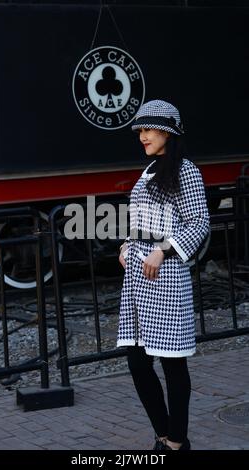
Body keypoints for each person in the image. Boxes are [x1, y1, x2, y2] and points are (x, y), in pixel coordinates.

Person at [117, 99, 210, 451]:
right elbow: (138, 225)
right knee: (138, 363)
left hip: (167, 277)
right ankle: (163, 433)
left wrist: (164, 249)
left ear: (168, 131)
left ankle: (175, 441)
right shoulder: (148, 171)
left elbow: (199, 222)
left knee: (173, 364)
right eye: (140, 130)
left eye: (149, 129)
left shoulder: (185, 170)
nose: (142, 136)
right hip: (139, 278)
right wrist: (125, 247)